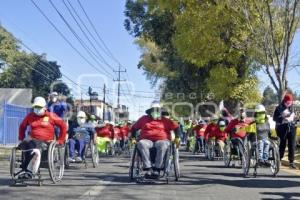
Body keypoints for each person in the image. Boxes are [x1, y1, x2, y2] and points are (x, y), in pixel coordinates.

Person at [18, 97, 67, 179]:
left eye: (39, 107)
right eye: (35, 107)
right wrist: (21, 137)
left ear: (45, 107)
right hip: (32, 140)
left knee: (30, 144)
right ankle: (27, 169)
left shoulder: (51, 116)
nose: (37, 109)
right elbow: (22, 126)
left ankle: (28, 170)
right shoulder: (30, 116)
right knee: (26, 143)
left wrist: (60, 140)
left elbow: (63, 126)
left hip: (46, 142)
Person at [131, 101, 181, 179]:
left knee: (162, 144)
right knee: (141, 143)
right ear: (150, 111)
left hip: (162, 140)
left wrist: (177, 137)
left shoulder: (166, 120)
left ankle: (157, 168)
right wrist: (133, 138)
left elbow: (176, 127)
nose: (155, 112)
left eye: (157, 110)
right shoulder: (144, 119)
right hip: (147, 140)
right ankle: (148, 168)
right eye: (153, 110)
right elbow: (134, 128)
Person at [273, 93, 297, 169]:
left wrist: (295, 118)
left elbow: (294, 117)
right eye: (287, 103)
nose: (289, 104)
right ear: (284, 101)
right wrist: (282, 118)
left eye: (290, 103)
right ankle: (279, 160)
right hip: (282, 128)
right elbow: (275, 118)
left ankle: (291, 162)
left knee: (292, 145)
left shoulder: (292, 107)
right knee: (282, 145)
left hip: (292, 128)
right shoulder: (279, 108)